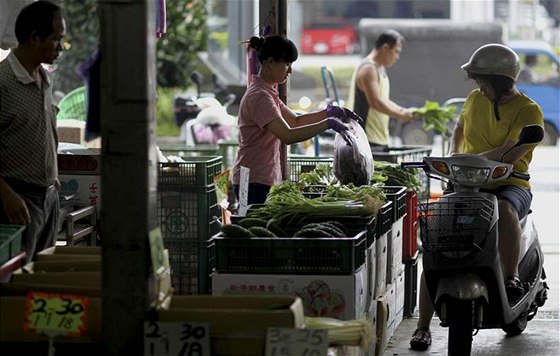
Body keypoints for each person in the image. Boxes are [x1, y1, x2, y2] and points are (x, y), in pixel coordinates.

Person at [410, 43, 544, 351]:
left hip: (510, 182)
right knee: (438, 237)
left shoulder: (529, 111)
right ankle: (422, 327)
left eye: (482, 81)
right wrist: (455, 155)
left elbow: (512, 150)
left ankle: (510, 278)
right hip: (467, 179)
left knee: (506, 210)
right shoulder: (474, 99)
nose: (478, 87)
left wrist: (472, 162)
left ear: (498, 80)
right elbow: (459, 126)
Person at [231, 35, 359, 205]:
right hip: (252, 180)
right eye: (286, 64)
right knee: (257, 229)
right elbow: (288, 135)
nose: (290, 71)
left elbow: (296, 121)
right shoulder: (259, 97)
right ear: (270, 62)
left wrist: (330, 112)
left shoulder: (268, 93)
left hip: (261, 178)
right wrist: (328, 124)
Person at [0, 1, 66, 263]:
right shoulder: (3, 83)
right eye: (55, 39)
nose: (60, 47)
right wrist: (6, 195)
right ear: (33, 38)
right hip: (17, 203)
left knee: (41, 280)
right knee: (16, 283)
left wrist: (53, 182)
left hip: (48, 198)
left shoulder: (44, 78)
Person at [347, 29, 419, 151]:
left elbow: (383, 100)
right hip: (366, 138)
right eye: (396, 52)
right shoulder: (368, 69)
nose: (397, 57)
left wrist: (403, 111)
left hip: (377, 137)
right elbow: (376, 102)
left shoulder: (379, 68)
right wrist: (400, 115)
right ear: (385, 48)